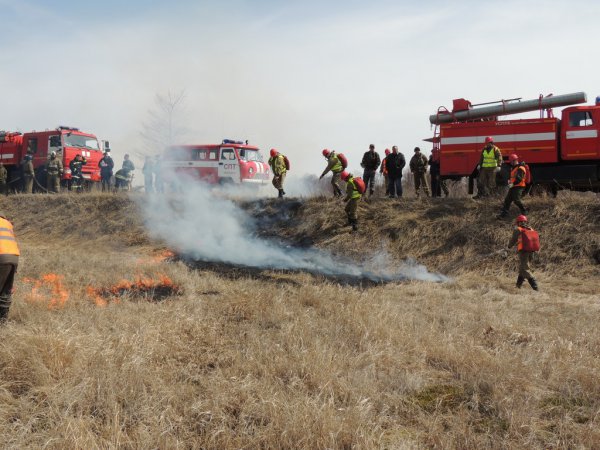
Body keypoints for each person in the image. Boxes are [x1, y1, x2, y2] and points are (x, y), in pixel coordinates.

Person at [507, 215, 539, 290]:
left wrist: (508, 246)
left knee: (525, 269)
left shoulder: (518, 229)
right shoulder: (531, 229)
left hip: (524, 252)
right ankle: (518, 286)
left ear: (518, 222)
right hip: (532, 252)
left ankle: (535, 287)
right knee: (522, 268)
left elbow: (513, 239)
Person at [0, 213, 19, 323]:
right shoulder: (7, 223)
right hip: (13, 257)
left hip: (1, 256)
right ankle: (3, 322)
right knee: (5, 292)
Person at [497, 154, 528, 219]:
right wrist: (510, 182)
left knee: (516, 200)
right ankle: (503, 215)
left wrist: (512, 184)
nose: (510, 163)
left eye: (511, 161)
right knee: (507, 200)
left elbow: (519, 179)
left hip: (519, 186)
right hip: (513, 186)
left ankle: (525, 210)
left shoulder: (520, 168)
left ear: (515, 160)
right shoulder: (514, 168)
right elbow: (513, 178)